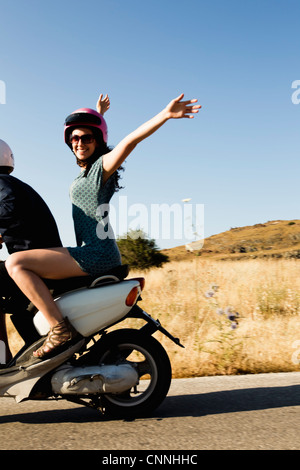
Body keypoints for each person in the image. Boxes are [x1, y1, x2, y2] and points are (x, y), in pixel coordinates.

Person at [6, 93, 201, 359]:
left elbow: (131, 141)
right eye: (74, 138)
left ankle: (59, 329)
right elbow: (94, 137)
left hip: (96, 254)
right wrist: (99, 116)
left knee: (16, 263)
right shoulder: (86, 172)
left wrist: (164, 115)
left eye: (87, 137)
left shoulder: (101, 168)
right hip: (89, 250)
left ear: (98, 141)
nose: (79, 142)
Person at [0, 139, 63, 363]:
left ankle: (3, 361)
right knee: (17, 310)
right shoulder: (13, 185)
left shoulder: (3, 187)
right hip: (42, 262)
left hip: (36, 266)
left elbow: (8, 213)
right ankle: (32, 362)